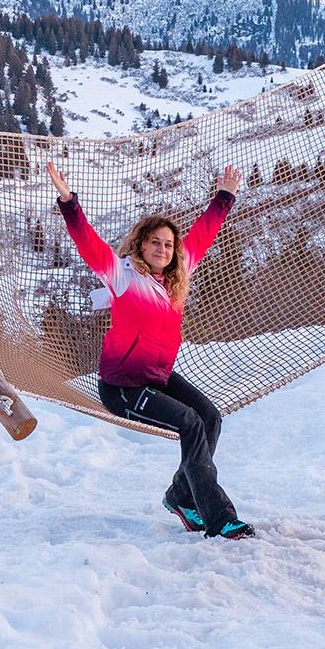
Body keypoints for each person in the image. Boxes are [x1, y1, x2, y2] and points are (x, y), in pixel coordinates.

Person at [44, 158, 254, 539]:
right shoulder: (121, 274)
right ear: (141, 244)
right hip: (123, 387)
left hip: (157, 378)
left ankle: (180, 496)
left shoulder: (178, 276)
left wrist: (224, 196)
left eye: (168, 244)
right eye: (155, 242)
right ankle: (219, 518)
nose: (162, 248)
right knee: (190, 423)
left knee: (209, 417)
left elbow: (205, 231)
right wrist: (69, 202)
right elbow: (87, 240)